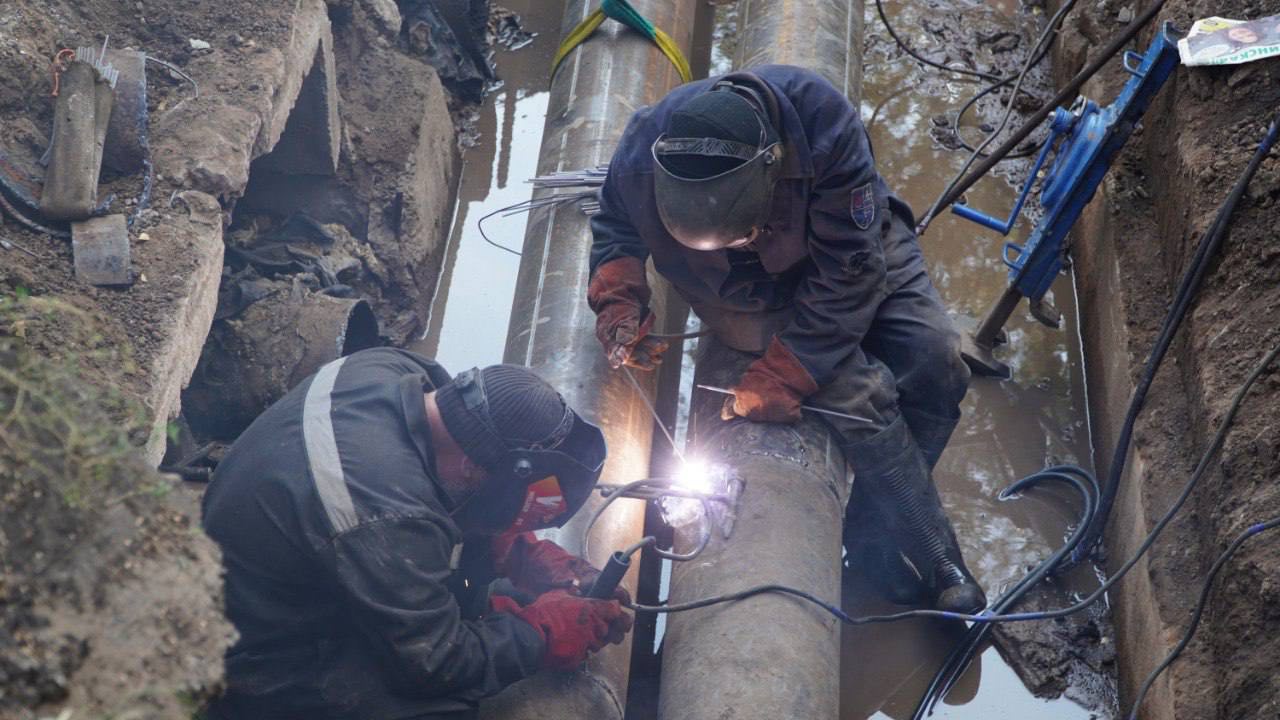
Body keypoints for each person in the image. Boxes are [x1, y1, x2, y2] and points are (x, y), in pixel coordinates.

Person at [586, 64, 986, 613]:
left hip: (849, 250)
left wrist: (787, 370)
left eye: (743, 230)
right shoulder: (640, 151)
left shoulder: (822, 122)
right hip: (739, 286)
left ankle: (871, 536)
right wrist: (619, 299)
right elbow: (614, 227)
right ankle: (936, 559)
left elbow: (850, 271)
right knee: (856, 393)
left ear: (771, 168)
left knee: (936, 359)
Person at [201, 347, 632, 719]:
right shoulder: (387, 516)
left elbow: (437, 501)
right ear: (474, 468)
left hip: (275, 570)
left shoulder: (395, 369)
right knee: (450, 702)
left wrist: (518, 551)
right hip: (254, 656)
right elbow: (436, 662)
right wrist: (540, 633)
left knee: (483, 600)